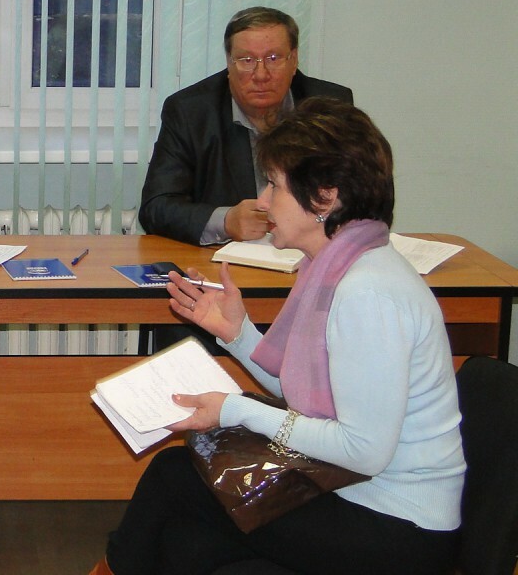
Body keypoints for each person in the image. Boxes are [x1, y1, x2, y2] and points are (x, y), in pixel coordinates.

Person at [103, 99, 464, 575]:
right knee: (186, 543)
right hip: (352, 490)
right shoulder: (336, 265)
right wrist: (237, 335)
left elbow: (364, 450)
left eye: (274, 184)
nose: (263, 200)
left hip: (398, 526)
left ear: (324, 198)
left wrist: (235, 410)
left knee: (175, 480)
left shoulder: (366, 293)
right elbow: (307, 394)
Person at [139, 7, 353, 246]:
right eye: (247, 60)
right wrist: (225, 221)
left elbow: (364, 194)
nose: (261, 75)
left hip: (310, 253)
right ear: (229, 63)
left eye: (273, 58)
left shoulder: (330, 106)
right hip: (226, 258)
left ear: (294, 60)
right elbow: (156, 207)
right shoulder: (191, 111)